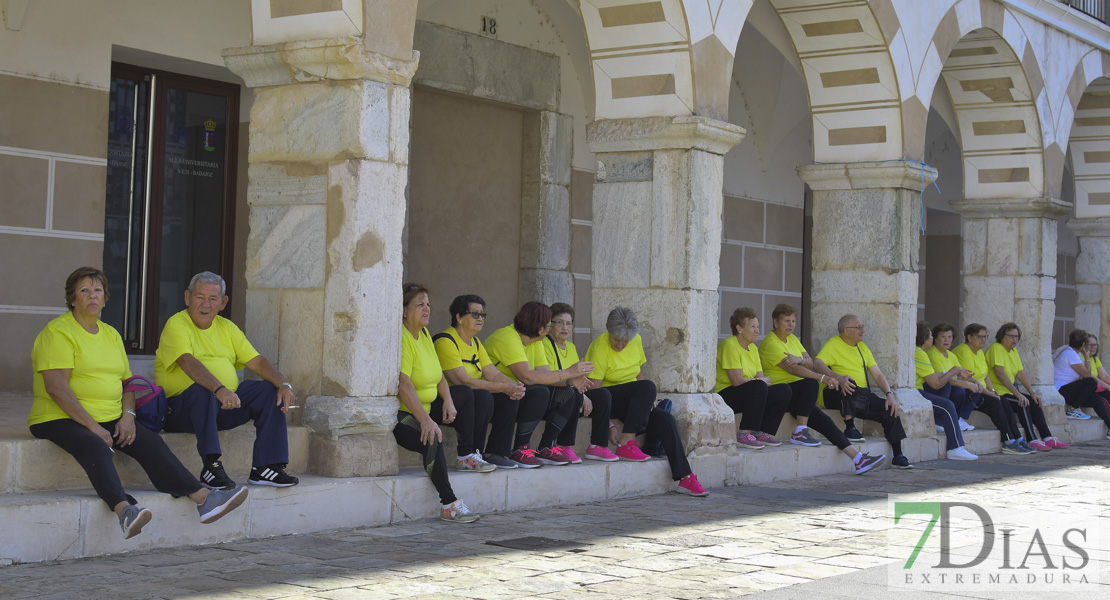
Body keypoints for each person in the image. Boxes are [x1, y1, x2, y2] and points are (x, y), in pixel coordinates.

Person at [30, 267, 248, 540]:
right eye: (84, 291)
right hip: (58, 417)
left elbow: (127, 382)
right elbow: (57, 389)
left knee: (151, 442)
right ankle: (124, 510)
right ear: (72, 299)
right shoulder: (58, 333)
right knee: (94, 444)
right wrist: (94, 427)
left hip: (108, 415)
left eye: (97, 290)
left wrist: (128, 415)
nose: (92, 296)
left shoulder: (110, 334)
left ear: (105, 298)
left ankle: (204, 498)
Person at [155, 272, 298, 489]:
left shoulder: (227, 328)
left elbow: (257, 362)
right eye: (199, 297)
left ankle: (266, 468)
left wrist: (283, 384)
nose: (206, 304)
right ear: (187, 298)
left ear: (223, 303)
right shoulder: (177, 324)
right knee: (203, 391)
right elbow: (187, 361)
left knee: (269, 391)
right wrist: (219, 389)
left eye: (213, 299)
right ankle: (211, 466)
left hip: (221, 406)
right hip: (182, 411)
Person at [585, 307, 709, 496]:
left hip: (633, 401)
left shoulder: (636, 341)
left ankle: (685, 477)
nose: (620, 345)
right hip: (608, 399)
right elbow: (596, 391)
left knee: (666, 419)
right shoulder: (599, 347)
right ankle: (627, 444)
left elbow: (638, 374)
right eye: (616, 340)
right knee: (647, 387)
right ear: (608, 332)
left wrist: (646, 400)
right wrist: (609, 425)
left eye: (624, 342)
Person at [758, 304, 885, 474]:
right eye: (786, 321)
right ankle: (800, 432)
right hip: (783, 394)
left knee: (825, 422)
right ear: (775, 322)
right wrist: (823, 377)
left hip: (800, 396)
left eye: (793, 321)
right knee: (811, 382)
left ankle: (858, 458)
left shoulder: (793, 340)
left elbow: (809, 362)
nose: (791, 325)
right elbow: (792, 369)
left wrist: (799, 359)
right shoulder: (770, 343)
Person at [396, 283, 481, 522]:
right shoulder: (401, 336)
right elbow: (404, 384)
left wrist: (448, 400)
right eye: (419, 305)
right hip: (404, 413)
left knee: (464, 394)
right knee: (432, 437)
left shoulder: (423, 333)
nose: (426, 309)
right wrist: (425, 420)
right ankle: (449, 503)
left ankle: (466, 457)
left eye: (428, 304)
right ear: (404, 310)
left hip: (428, 406)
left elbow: (439, 374)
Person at [484, 302, 594, 467]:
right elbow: (527, 377)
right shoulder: (507, 337)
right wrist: (569, 373)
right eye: (549, 325)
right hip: (495, 394)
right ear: (539, 327)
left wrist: (571, 381)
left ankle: (547, 446)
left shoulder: (535, 341)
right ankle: (520, 448)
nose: (550, 329)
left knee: (569, 392)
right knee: (539, 392)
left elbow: (544, 374)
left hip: (517, 392)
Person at [815, 315, 912, 468]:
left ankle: (898, 455)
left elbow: (878, 374)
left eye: (862, 326)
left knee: (889, 408)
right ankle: (850, 427)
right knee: (849, 383)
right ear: (847, 331)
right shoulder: (833, 344)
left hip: (860, 397)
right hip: (834, 394)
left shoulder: (863, 347)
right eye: (859, 327)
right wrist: (839, 378)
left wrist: (889, 395)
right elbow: (818, 363)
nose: (863, 330)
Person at [428, 294, 508, 472]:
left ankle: (487, 454)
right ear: (459, 317)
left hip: (468, 403)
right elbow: (462, 381)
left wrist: (514, 387)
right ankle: (466, 455)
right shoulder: (445, 340)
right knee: (474, 393)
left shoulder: (477, 343)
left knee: (502, 396)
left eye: (482, 315)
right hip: (444, 403)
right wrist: (504, 387)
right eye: (475, 314)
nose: (480, 318)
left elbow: (493, 374)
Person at [544, 303, 618, 462]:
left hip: (572, 390)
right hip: (552, 394)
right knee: (574, 394)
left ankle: (597, 446)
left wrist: (584, 392)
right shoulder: (544, 344)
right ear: (550, 324)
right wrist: (582, 395)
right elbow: (549, 377)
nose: (565, 327)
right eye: (560, 322)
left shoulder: (570, 347)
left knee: (603, 394)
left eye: (569, 323)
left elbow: (578, 377)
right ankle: (564, 445)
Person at [944, 323, 1031, 454]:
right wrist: (989, 394)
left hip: (980, 391)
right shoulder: (963, 351)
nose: (983, 340)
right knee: (996, 402)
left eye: (985, 337)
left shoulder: (979, 352)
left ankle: (1017, 438)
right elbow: (968, 378)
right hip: (970, 393)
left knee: (1003, 400)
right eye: (980, 337)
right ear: (969, 337)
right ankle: (1008, 440)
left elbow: (985, 376)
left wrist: (991, 390)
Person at [714, 308, 789, 449]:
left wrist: (759, 381)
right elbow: (737, 381)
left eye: (758, 327)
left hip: (747, 392)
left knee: (783, 390)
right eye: (752, 327)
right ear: (739, 328)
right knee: (758, 386)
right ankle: (743, 434)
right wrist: (758, 382)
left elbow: (761, 379)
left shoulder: (753, 348)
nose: (757, 330)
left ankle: (760, 432)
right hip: (724, 396)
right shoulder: (730, 344)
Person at [986, 322, 1068, 451]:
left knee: (1034, 401)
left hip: (1010, 392)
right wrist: (1018, 394)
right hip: (999, 393)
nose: (1015, 339)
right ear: (1002, 336)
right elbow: (1000, 374)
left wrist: (1032, 392)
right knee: (1023, 403)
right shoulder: (996, 348)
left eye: (1017, 336)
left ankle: (1047, 437)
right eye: (1011, 336)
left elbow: (1020, 373)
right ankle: (1032, 439)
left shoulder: (1013, 351)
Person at [915, 322, 977, 460]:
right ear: (924, 338)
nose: (931, 338)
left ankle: (957, 444)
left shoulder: (920, 352)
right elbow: (936, 384)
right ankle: (955, 448)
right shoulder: (920, 353)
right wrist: (951, 372)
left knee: (950, 390)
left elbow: (933, 374)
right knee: (947, 406)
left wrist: (955, 372)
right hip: (916, 394)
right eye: (931, 335)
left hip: (919, 392)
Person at [1053, 329, 1110, 432]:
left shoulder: (1074, 354)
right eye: (1087, 343)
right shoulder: (1070, 354)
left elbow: (1085, 374)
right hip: (1061, 390)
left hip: (1070, 390)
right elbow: (1087, 375)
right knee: (1092, 382)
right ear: (1083, 343)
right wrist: (1087, 356)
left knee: (1097, 399)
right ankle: (1073, 409)